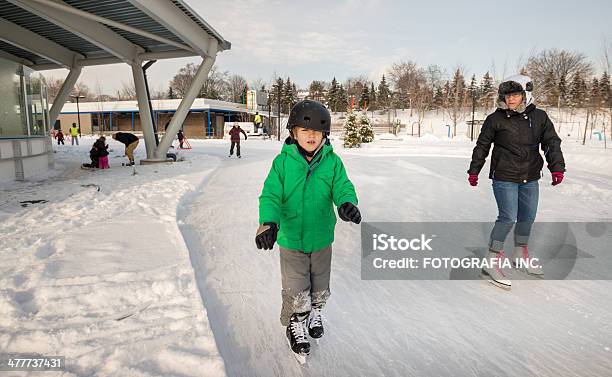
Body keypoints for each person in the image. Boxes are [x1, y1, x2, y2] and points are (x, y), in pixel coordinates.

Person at [256, 100, 361, 359]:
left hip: (322, 237)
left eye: (317, 131)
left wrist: (348, 202)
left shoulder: (332, 162)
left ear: (325, 134)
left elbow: (342, 186)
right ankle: (295, 321)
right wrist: (268, 222)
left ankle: (315, 311)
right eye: (305, 130)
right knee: (296, 287)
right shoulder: (282, 163)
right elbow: (270, 195)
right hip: (291, 238)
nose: (311, 135)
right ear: (293, 132)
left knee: (319, 285)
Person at [467, 74, 566, 289]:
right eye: (507, 95)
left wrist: (556, 167)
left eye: (515, 95)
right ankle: (491, 262)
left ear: (525, 95)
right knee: (508, 217)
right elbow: (482, 146)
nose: (510, 99)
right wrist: (474, 170)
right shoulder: (495, 119)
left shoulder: (539, 117)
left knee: (527, 217)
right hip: (504, 176)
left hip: (530, 176)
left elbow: (551, 143)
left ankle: (521, 255)